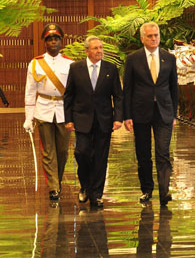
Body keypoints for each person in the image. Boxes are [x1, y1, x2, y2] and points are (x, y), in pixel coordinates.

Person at [64, 36, 123, 208]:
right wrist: (68, 119)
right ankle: (85, 186)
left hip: (104, 119)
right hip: (81, 119)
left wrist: (118, 118)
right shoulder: (76, 68)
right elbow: (69, 96)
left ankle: (96, 194)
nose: (99, 51)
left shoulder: (110, 69)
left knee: (100, 157)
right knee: (81, 153)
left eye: (101, 48)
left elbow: (118, 96)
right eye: (96, 48)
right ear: (87, 51)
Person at [123, 22, 178, 206]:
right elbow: (128, 89)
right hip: (140, 112)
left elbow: (173, 88)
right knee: (143, 153)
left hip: (164, 112)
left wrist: (174, 115)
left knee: (163, 152)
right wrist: (127, 115)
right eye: (150, 36)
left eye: (156, 35)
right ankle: (147, 190)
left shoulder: (169, 58)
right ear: (142, 38)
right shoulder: (133, 59)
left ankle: (164, 191)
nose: (154, 38)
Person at [24, 23, 73, 201]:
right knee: (48, 151)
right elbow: (30, 91)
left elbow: (74, 92)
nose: (53, 42)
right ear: (45, 42)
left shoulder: (70, 63)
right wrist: (28, 118)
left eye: (56, 38)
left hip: (63, 112)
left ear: (61, 41)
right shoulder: (36, 63)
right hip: (43, 110)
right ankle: (53, 187)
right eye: (49, 39)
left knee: (62, 151)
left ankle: (57, 181)